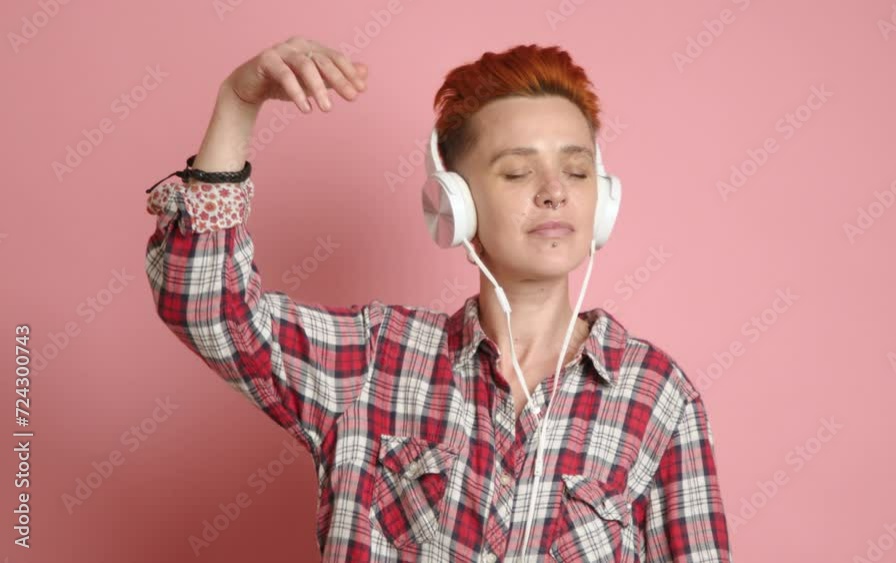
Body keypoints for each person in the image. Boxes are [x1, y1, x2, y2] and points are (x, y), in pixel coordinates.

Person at [144, 36, 733, 562]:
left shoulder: (658, 398)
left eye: (577, 172)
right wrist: (238, 102)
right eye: (517, 173)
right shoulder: (375, 358)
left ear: (602, 200)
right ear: (456, 204)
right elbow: (209, 310)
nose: (555, 192)